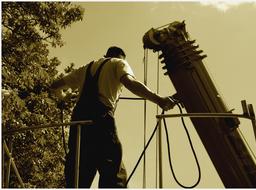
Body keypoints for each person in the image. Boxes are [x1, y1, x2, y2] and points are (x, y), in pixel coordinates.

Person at [51, 46, 175, 188]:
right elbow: (130, 83)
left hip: (78, 122)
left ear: (106, 54)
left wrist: (64, 96)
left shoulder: (86, 67)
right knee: (112, 167)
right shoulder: (118, 63)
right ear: (121, 57)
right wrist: (159, 100)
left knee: (79, 171)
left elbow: (55, 86)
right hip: (100, 119)